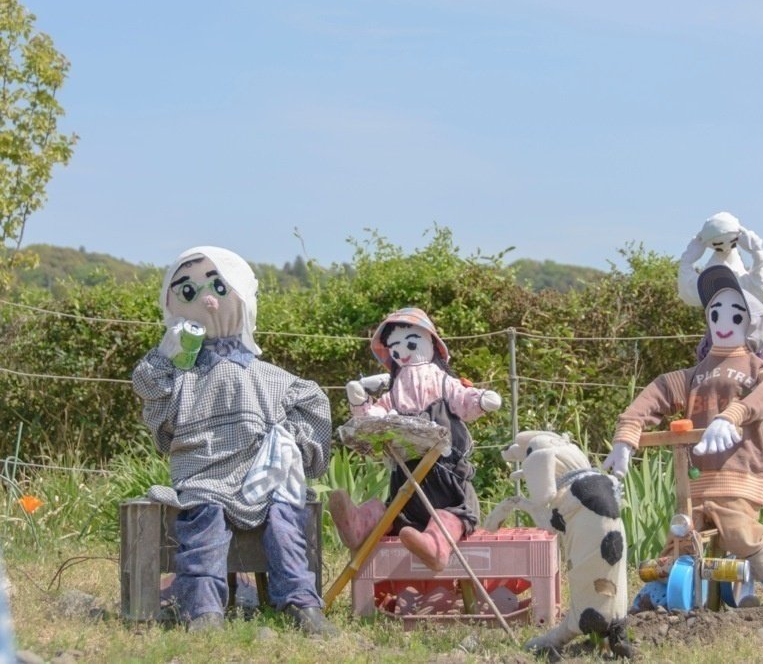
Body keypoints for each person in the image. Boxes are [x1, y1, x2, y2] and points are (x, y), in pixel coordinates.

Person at [132, 246, 335, 634]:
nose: (208, 300)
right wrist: (167, 352)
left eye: (220, 287)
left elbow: (312, 406)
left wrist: (288, 442)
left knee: (286, 521)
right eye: (187, 291)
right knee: (203, 528)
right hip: (203, 477)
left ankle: (301, 603)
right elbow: (148, 387)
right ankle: (204, 610)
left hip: (263, 478)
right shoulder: (181, 376)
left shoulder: (268, 376)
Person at [603, 265, 763, 607]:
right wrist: (626, 437)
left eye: (735, 316)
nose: (723, 323)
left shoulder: (756, 369)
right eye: (715, 314)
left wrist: (732, 415)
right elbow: (654, 395)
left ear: (752, 324)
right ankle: (663, 589)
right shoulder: (694, 375)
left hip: (740, 474)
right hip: (695, 478)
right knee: (682, 535)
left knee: (739, 532)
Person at [329, 307, 501, 571]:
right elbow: (375, 416)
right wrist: (361, 403)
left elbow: (462, 400)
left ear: (429, 341)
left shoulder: (442, 381)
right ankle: (360, 523)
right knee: (390, 510)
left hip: (447, 483)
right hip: (406, 483)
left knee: (449, 517)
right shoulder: (396, 389)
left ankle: (435, 545)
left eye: (410, 342)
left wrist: (480, 400)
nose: (403, 351)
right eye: (394, 347)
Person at [677, 211, 763, 360]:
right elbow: (759, 287)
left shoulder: (717, 284)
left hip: (736, 344)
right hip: (723, 344)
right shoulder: (745, 284)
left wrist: (687, 260)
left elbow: (689, 291)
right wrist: (756, 250)